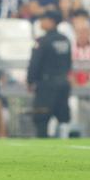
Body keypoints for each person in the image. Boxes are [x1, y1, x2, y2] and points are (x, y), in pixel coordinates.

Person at [27, 9, 71, 138]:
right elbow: (69, 62)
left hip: (46, 85)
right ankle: (65, 139)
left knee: (41, 117)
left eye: (44, 19)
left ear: (52, 22)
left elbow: (35, 63)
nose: (41, 22)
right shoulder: (65, 40)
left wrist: (30, 81)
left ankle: (43, 142)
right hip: (63, 83)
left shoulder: (42, 41)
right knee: (63, 115)